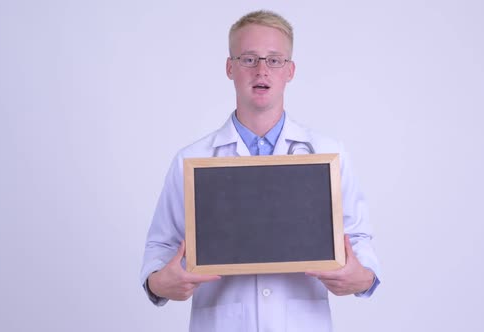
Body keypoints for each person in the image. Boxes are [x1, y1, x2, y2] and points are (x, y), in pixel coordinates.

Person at [141, 10, 381, 332]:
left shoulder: (328, 154)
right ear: (230, 68)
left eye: (274, 60)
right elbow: (161, 246)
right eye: (249, 59)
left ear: (290, 71)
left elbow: (359, 239)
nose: (262, 70)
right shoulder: (192, 159)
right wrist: (159, 283)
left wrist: (362, 277)